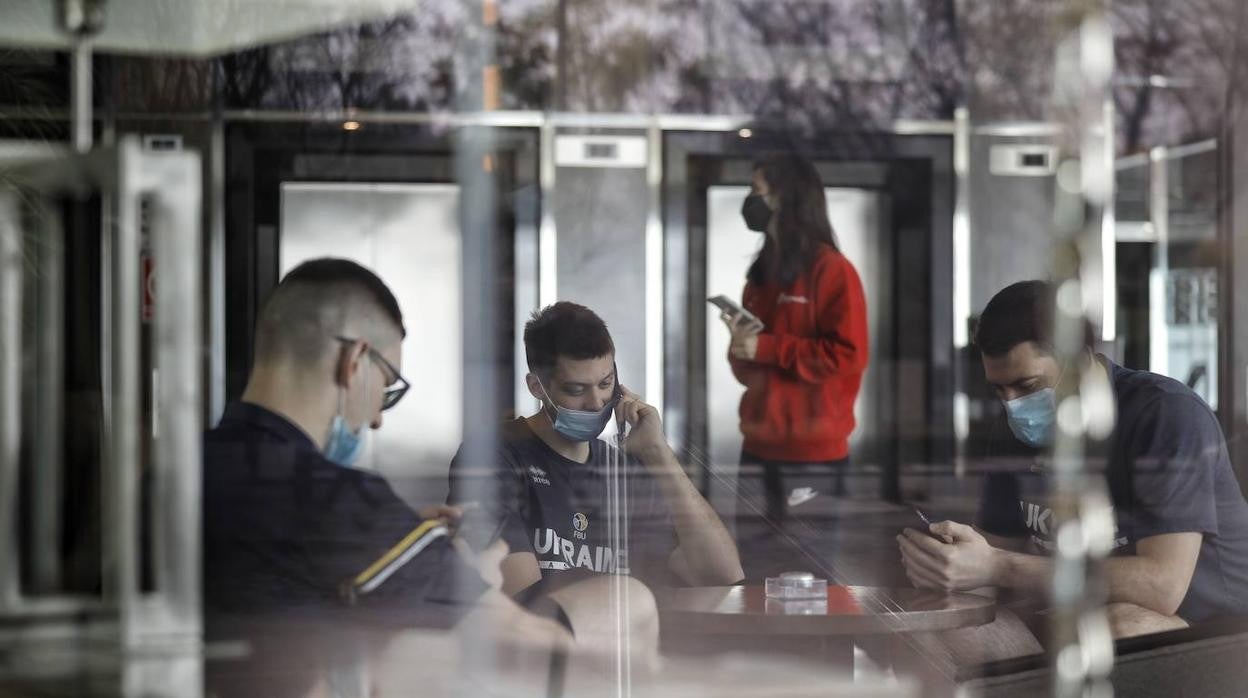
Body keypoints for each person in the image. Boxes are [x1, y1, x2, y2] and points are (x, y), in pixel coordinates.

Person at [203, 258, 657, 657]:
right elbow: (529, 643)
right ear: (355, 361)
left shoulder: (181, 473)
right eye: (387, 389)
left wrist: (409, 543)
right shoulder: (334, 501)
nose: (376, 421)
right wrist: (468, 576)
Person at [898, 280, 1248, 639]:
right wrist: (950, 566)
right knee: (950, 628)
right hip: (1083, 613)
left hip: (1215, 633)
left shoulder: (1166, 415)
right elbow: (991, 561)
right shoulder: (1013, 430)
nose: (1012, 404)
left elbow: (1161, 588)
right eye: (999, 390)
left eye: (1028, 386)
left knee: (1120, 627)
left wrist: (999, 567)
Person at [448, 301, 744, 596]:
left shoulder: (626, 468)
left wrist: (659, 454)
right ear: (537, 387)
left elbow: (722, 575)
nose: (596, 402)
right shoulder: (496, 457)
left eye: (606, 383)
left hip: (627, 637)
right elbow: (522, 600)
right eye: (576, 390)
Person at [723, 154, 868, 521]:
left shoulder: (832, 270)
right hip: (757, 447)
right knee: (751, 568)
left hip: (812, 456)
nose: (749, 200)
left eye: (756, 190)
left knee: (810, 573)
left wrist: (767, 347)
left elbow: (848, 356)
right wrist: (741, 345)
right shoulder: (761, 275)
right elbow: (747, 373)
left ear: (785, 198)